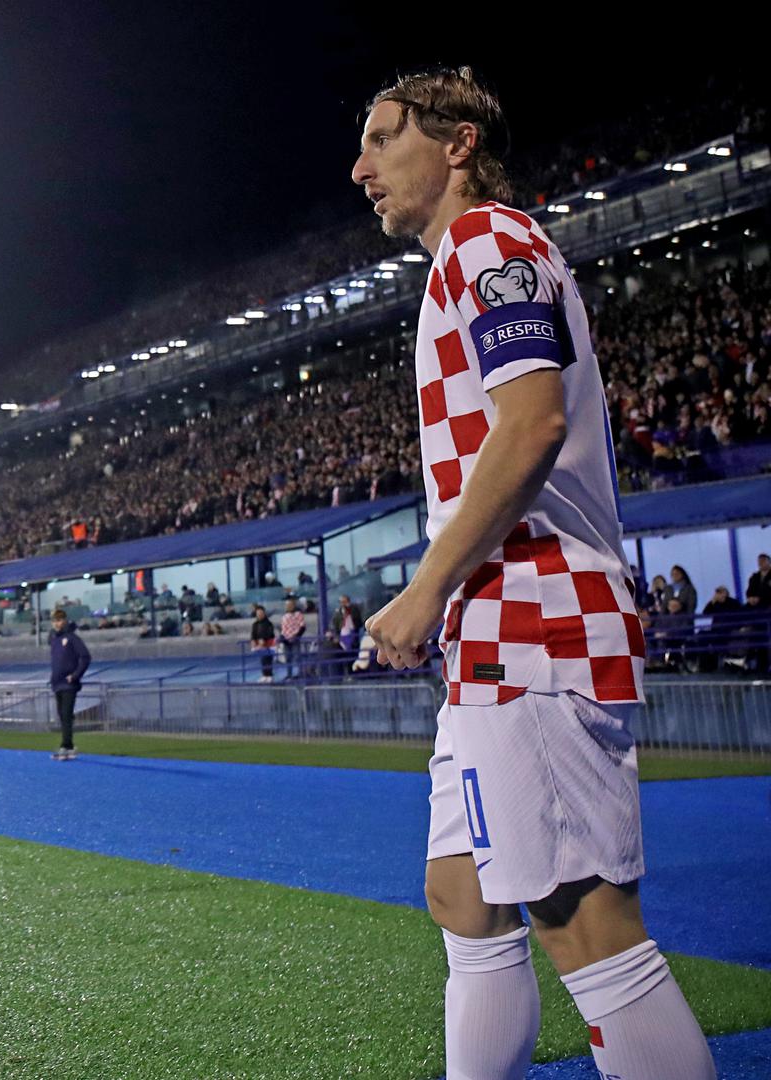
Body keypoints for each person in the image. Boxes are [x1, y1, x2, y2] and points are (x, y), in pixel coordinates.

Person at [354, 67, 713, 1079]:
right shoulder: (460, 260)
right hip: (498, 626)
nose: (361, 167)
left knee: (584, 923)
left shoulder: (488, 243)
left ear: (457, 142)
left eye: (383, 140)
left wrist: (423, 587)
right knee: (461, 898)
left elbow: (531, 423)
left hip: (537, 619)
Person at [48, 606, 90, 761]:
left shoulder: (72, 638)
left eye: (59, 620)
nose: (57, 624)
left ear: (65, 621)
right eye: (54, 621)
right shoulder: (54, 640)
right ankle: (69, 746)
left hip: (68, 684)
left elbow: (85, 657)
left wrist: (75, 675)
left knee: (66, 715)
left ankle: (65, 745)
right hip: (57, 683)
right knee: (62, 715)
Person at [278, 597, 307, 679]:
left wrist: (297, 636)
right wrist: (282, 637)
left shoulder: (298, 614)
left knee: (297, 657)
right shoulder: (284, 616)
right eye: (287, 605)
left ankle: (299, 673)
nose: (288, 606)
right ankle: (289, 674)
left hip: (295, 638)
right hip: (285, 639)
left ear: (293, 605)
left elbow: (302, 626)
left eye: (289, 605)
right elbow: (283, 628)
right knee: (288, 658)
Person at [250, 605, 276, 683]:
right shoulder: (255, 624)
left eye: (261, 613)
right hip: (259, 644)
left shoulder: (269, 623)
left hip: (269, 644)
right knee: (263, 660)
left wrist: (263, 640)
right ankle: (264, 675)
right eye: (258, 613)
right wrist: (253, 640)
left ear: (264, 613)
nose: (259, 615)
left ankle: (270, 675)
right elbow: (253, 634)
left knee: (268, 659)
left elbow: (270, 633)